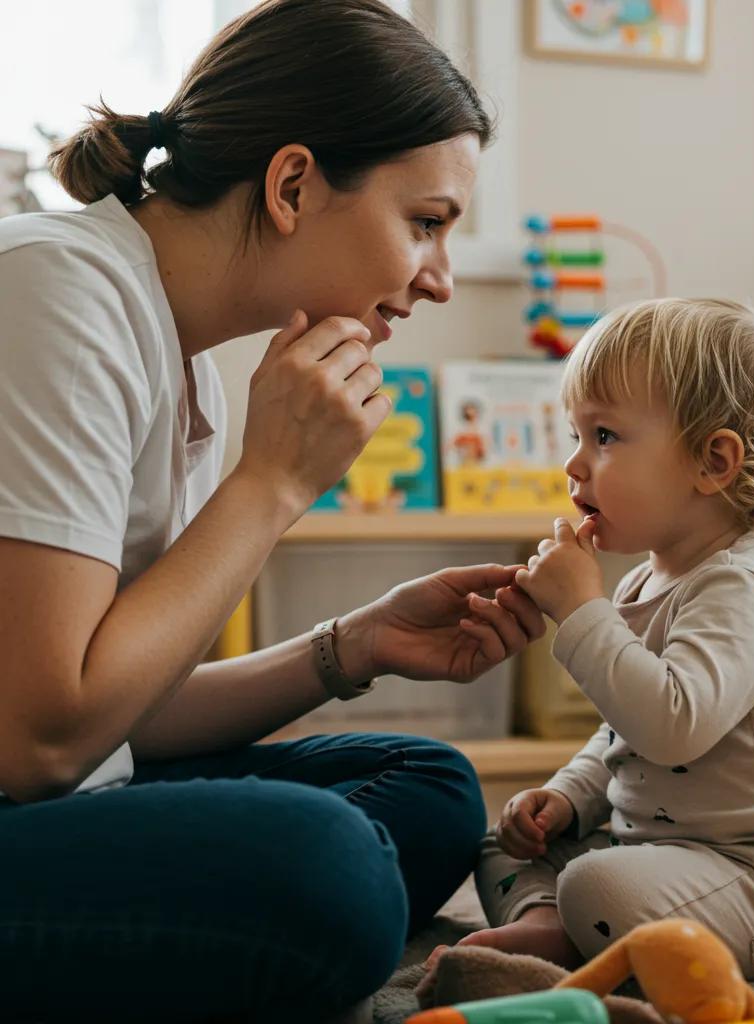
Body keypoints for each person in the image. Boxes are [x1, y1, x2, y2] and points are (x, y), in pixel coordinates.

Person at [0, 1, 544, 1020]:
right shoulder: (54, 291)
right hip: (25, 783)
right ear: (293, 183)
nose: (437, 278)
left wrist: (354, 644)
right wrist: (274, 485)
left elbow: (126, 705)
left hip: (53, 789)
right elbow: (40, 740)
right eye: (424, 222)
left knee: (425, 783)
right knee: (324, 865)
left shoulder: (187, 359)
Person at [454, 298, 754, 980]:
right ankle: (549, 926)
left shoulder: (743, 589)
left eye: (603, 436)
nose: (575, 465)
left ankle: (578, 922)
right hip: (652, 852)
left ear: (713, 462)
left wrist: (580, 613)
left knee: (595, 885)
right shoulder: (643, 583)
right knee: (501, 843)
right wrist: (567, 797)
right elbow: (621, 738)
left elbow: (670, 727)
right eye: (576, 436)